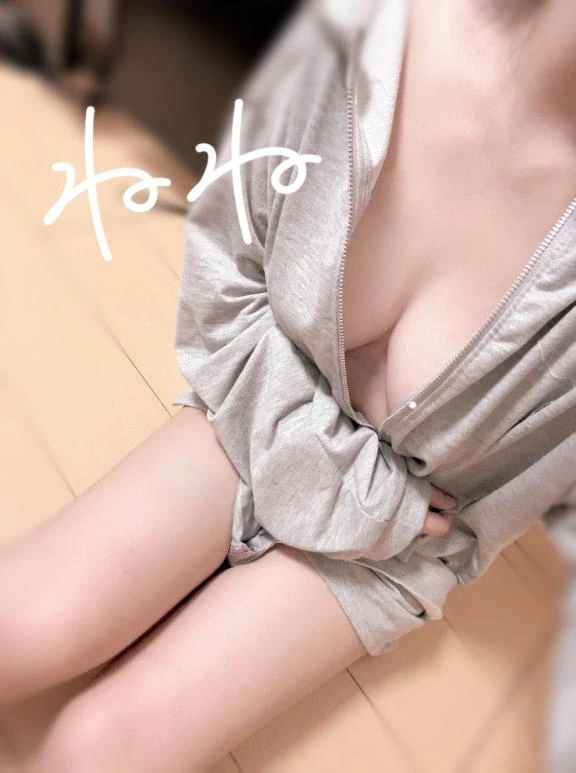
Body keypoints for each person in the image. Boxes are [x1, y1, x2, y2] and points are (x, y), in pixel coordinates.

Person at [1, 0, 575, 770]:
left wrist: (383, 511)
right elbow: (226, 268)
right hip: (261, 395)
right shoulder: (375, 25)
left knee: (97, 749)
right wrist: (314, 464)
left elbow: (491, 509)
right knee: (28, 622)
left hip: (398, 539)